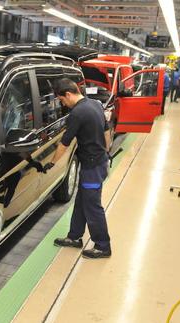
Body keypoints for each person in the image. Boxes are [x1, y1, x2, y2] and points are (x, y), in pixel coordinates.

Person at [42, 78, 112, 259]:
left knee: (92, 207)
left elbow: (64, 144)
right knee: (81, 202)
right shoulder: (95, 105)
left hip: (92, 167)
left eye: (62, 101)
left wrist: (51, 163)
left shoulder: (77, 113)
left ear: (68, 94)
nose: (63, 104)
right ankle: (74, 237)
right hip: (98, 162)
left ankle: (103, 246)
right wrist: (106, 152)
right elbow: (106, 130)